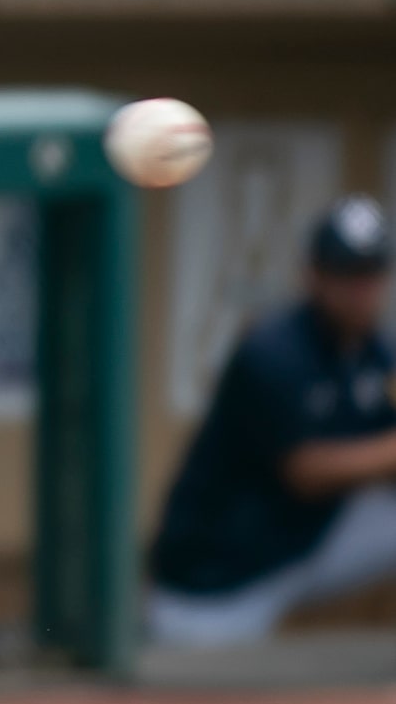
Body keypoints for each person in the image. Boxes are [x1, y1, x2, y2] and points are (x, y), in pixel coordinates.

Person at [149, 199, 396, 646]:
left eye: (371, 274)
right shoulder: (272, 351)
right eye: (347, 274)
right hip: (218, 578)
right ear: (314, 275)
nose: (361, 289)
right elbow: (305, 472)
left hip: (307, 545)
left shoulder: (378, 353)